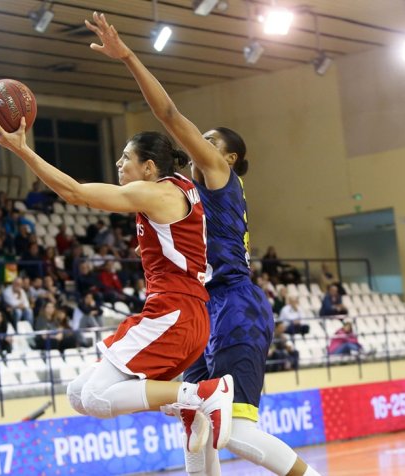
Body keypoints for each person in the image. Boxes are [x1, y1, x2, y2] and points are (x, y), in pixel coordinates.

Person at [83, 12, 320, 476]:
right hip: (197, 308)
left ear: (228, 157)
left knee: (238, 429)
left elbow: (169, 115)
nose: (199, 144)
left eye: (210, 141)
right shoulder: (178, 193)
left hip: (234, 303)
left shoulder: (216, 174)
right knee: (194, 421)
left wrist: (128, 56)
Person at [0, 98, 233, 451]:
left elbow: (75, 193)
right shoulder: (178, 190)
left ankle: (203, 394)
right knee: (78, 394)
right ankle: (186, 404)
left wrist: (22, 150)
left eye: (126, 158)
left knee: (98, 397)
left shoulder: (157, 192)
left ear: (148, 167)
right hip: (186, 315)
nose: (118, 163)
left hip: (175, 314)